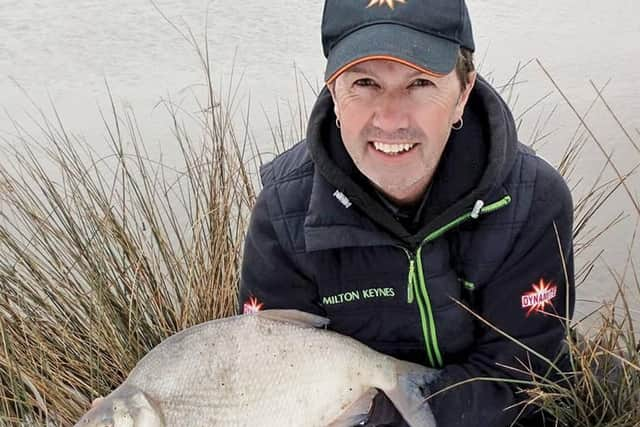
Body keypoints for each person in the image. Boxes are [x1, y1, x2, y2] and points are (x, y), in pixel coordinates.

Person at [239, 0, 575, 425]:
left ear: (463, 91)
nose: (391, 118)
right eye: (364, 82)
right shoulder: (282, 213)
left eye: (419, 84)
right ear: (333, 94)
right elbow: (270, 379)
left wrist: (387, 415)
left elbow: (524, 387)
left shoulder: (533, 201)